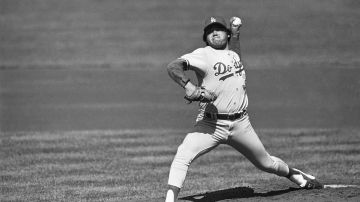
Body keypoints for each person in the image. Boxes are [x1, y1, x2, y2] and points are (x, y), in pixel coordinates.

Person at [165, 16, 323, 202]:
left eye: (218, 29)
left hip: (241, 124)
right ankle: (169, 200)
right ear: (205, 37)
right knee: (183, 155)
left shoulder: (232, 54)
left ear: (228, 34)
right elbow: (173, 66)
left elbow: (235, 56)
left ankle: (295, 175)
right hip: (210, 124)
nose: (214, 32)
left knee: (266, 163)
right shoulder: (203, 54)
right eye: (209, 31)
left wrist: (236, 34)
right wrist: (189, 86)